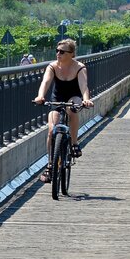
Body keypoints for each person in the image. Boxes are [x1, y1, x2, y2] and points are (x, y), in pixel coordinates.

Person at [33, 39, 93, 182]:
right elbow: (45, 82)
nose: (58, 54)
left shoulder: (79, 67)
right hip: (58, 96)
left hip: (74, 96)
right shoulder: (52, 67)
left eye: (62, 51)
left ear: (71, 54)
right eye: (57, 51)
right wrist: (40, 96)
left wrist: (86, 99)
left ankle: (74, 143)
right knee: (51, 129)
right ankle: (50, 164)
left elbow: (84, 86)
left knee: (72, 110)